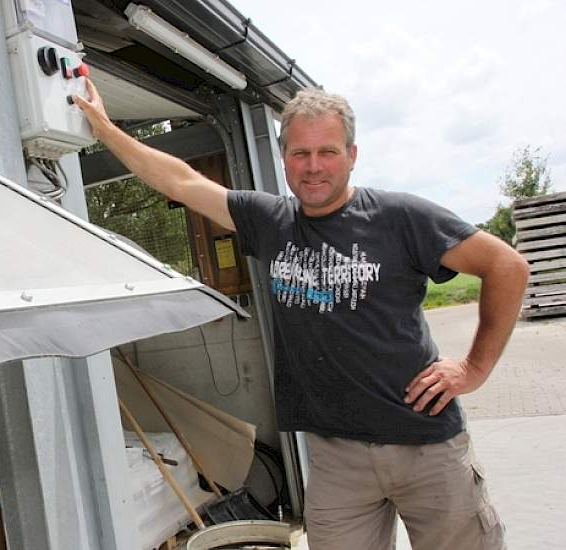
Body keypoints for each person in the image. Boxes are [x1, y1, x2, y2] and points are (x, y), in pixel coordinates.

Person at [73, 80, 528, 550]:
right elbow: (181, 182)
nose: (313, 167)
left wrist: (474, 368)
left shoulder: (400, 217)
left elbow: (506, 266)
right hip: (336, 459)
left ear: (352, 154)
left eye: (327, 152)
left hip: (426, 447)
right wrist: (105, 129)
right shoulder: (270, 222)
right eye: (300, 153)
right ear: (283, 155)